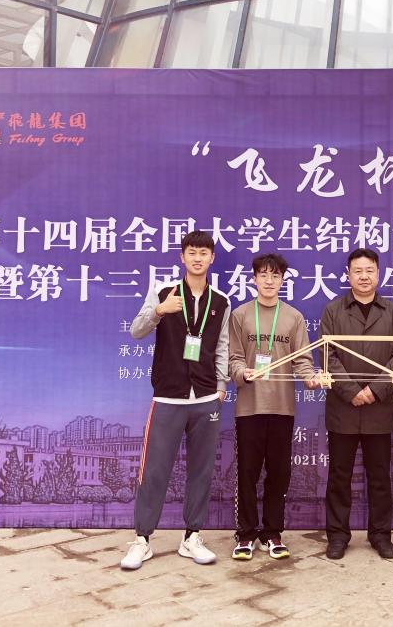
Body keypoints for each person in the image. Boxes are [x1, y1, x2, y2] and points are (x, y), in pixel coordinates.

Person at [120, 230, 231, 570]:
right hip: (168, 397)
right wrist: (159, 310)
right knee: (154, 471)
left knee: (201, 471)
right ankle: (142, 539)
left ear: (212, 258)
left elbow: (223, 345)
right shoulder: (162, 292)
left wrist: (221, 385)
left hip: (206, 397)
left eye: (204, 253)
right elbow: (136, 331)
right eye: (191, 252)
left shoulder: (221, 301)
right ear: (182, 257)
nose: (198, 258)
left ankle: (192, 537)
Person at [227, 253, 320, 561]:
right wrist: (242, 373)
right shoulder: (240, 314)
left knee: (279, 473)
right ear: (254, 279)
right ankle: (245, 534)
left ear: (282, 280)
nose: (269, 281)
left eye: (275, 276)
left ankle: (272, 533)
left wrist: (309, 378)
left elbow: (303, 359)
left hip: (282, 408)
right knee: (247, 473)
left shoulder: (293, 317)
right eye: (263, 275)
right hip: (249, 408)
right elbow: (233, 357)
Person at [321, 248, 393, 560]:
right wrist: (352, 390)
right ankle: (337, 536)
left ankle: (380, 535)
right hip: (343, 408)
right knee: (339, 477)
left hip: (379, 408)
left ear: (378, 274)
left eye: (369, 270)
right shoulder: (333, 310)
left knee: (380, 477)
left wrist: (374, 390)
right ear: (348, 275)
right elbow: (327, 355)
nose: (364, 276)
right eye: (357, 271)